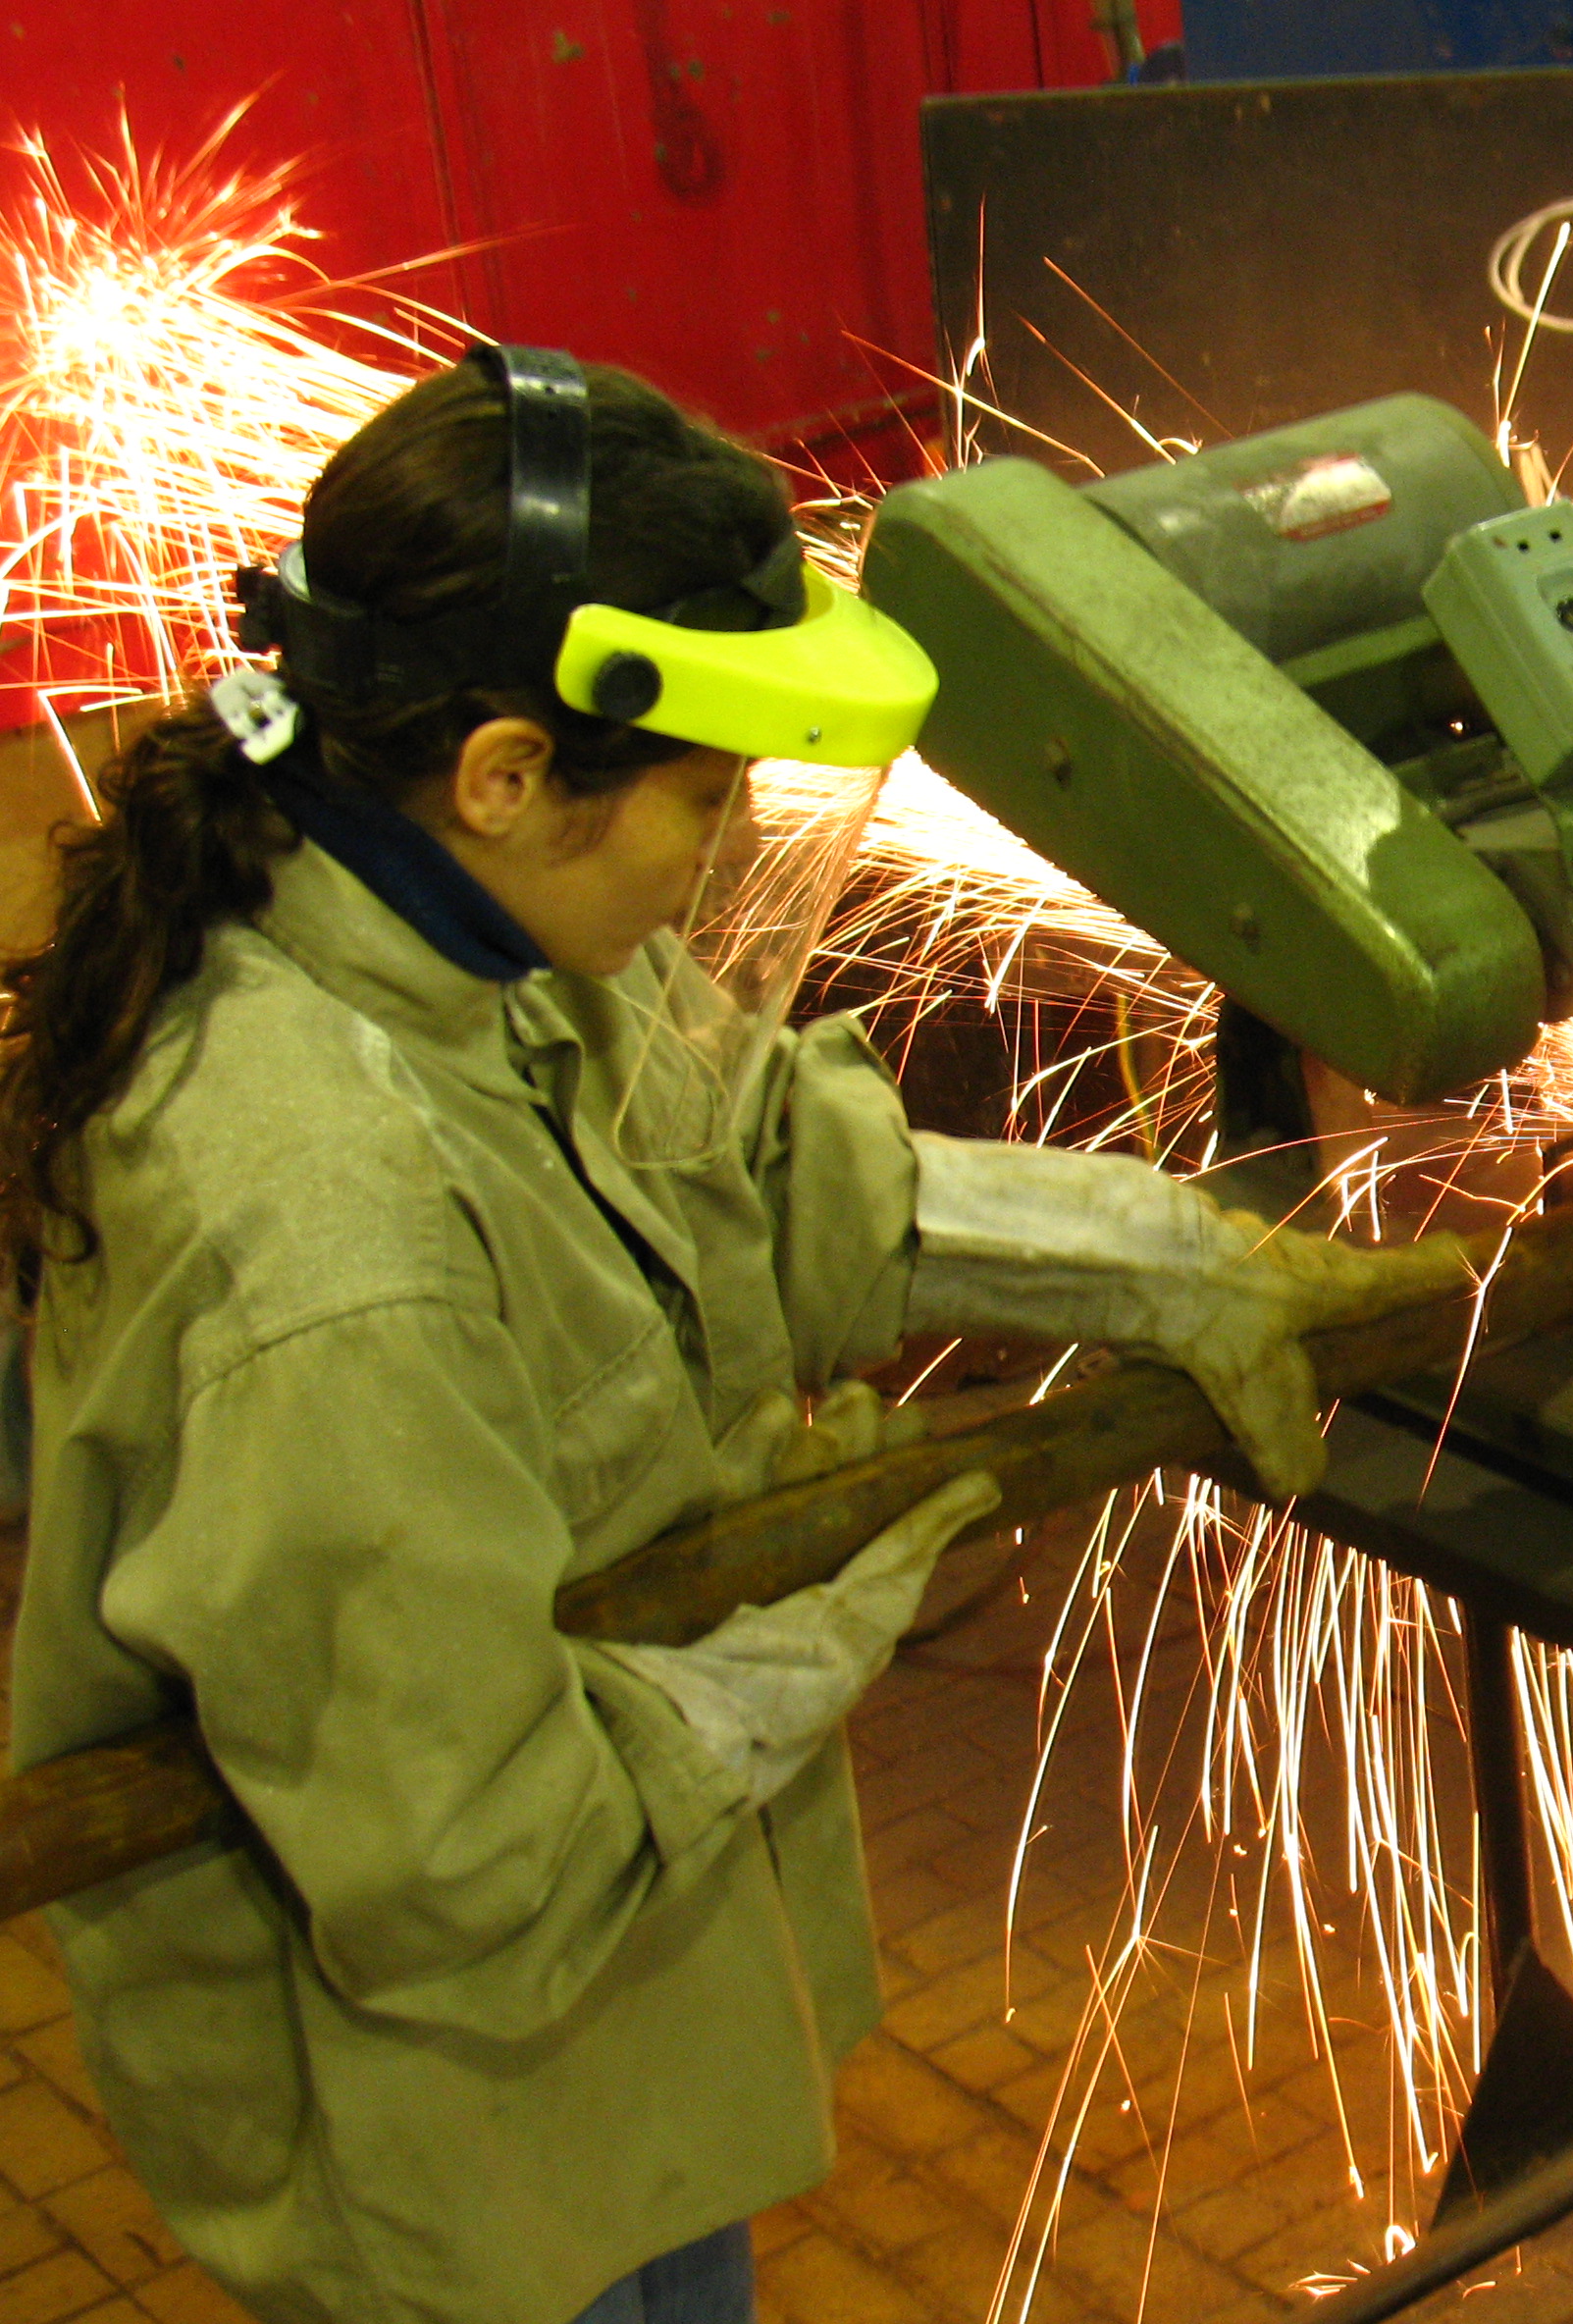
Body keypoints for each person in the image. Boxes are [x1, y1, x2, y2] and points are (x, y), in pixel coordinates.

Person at [0, 348, 1464, 2324]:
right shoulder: (325, 1235)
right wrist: (805, 1630)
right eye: (701, 798)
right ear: (507, 771)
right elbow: (463, 1857)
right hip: (458, 2120)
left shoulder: (469, 930)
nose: (718, 846)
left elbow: (754, 1156)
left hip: (620, 2041)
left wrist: (1172, 1262)